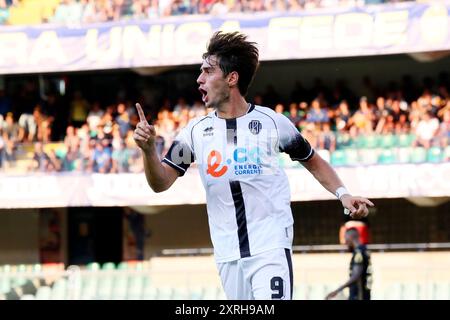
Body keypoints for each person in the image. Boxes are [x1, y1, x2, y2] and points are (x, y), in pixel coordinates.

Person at [133, 31, 374, 300]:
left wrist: (344, 194)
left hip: (270, 247)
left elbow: (313, 161)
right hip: (227, 254)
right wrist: (148, 151)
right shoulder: (195, 133)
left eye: (208, 71)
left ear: (231, 78)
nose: (199, 79)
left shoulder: (273, 124)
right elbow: (160, 182)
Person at [326, 228, 372, 300]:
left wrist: (337, 290)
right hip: (363, 294)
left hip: (359, 295)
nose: (345, 242)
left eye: (345, 238)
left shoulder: (359, 252)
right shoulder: (364, 250)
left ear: (350, 237)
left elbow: (356, 276)